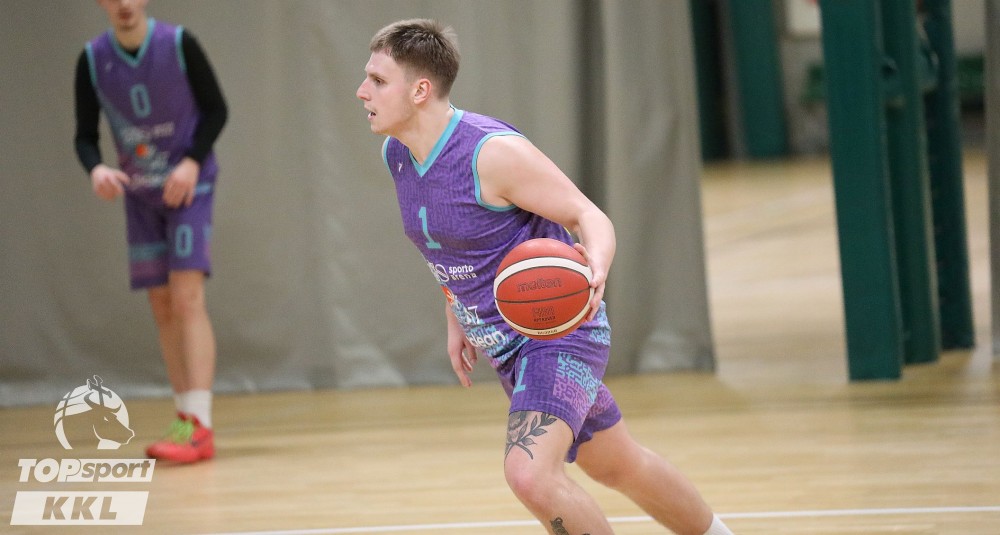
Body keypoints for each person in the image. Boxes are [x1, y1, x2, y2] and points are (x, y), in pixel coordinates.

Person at [357, 18, 735, 535]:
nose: (362, 91)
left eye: (377, 80)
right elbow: (448, 241)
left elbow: (587, 215)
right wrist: (455, 311)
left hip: (558, 332)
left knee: (529, 475)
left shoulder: (492, 154)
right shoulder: (398, 154)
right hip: (507, 345)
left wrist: (595, 265)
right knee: (617, 463)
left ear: (420, 90)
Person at [74, 0, 227, 464]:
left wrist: (192, 160)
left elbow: (216, 110)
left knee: (187, 298)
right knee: (161, 305)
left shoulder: (179, 44)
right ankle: (184, 418)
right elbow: (84, 135)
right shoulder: (93, 59)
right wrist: (96, 168)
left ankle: (201, 425)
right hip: (140, 194)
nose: (123, 3)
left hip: (188, 187)